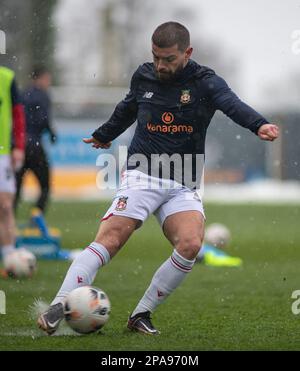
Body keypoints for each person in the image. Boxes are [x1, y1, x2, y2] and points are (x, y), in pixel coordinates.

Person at [37, 22, 279, 335]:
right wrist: (105, 134)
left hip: (183, 180)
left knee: (191, 244)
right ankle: (59, 303)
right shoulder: (144, 75)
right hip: (142, 173)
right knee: (110, 239)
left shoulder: (206, 82)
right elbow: (129, 107)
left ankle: (141, 314)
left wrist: (258, 124)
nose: (161, 66)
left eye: (168, 59)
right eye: (156, 58)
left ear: (187, 53)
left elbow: (231, 105)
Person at [14, 65, 57, 215]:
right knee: (45, 186)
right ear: (42, 78)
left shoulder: (22, 93)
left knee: (16, 187)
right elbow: (43, 119)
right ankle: (37, 216)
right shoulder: (43, 95)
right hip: (34, 146)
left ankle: (8, 222)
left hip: (19, 145)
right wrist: (52, 133)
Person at [0, 65, 26, 271]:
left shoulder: (7, 77)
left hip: (2, 153)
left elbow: (18, 115)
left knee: (5, 206)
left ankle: (9, 254)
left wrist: (18, 146)